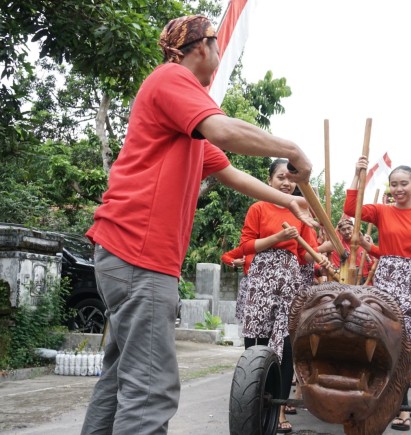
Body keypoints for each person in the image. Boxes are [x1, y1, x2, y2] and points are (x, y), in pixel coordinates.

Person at [81, 15, 314, 435]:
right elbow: (225, 130)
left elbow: (230, 173)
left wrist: (291, 202)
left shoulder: (185, 124)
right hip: (139, 254)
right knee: (150, 390)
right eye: (216, 46)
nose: (219, 54)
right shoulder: (172, 78)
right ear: (202, 47)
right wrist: (291, 148)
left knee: (121, 379)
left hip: (126, 254)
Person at [346, 156, 411, 432]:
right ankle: (398, 408)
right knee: (390, 339)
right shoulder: (382, 211)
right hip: (387, 276)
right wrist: (357, 175)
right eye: (394, 185)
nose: (399, 189)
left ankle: (401, 402)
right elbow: (350, 207)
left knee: (407, 343)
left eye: (404, 184)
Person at [239, 158, 328, 433]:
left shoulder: (300, 210)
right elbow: (246, 245)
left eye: (291, 179)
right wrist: (276, 239)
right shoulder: (258, 207)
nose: (286, 183)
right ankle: (251, 404)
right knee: (257, 339)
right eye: (281, 177)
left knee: (286, 343)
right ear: (270, 181)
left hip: (289, 281)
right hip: (261, 277)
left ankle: (278, 410)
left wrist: (321, 260)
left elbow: (304, 255)